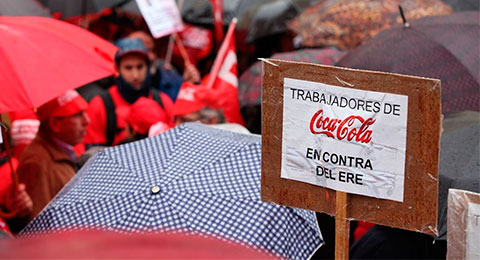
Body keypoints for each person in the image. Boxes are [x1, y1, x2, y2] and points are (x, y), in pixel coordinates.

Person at [84, 37, 174, 148]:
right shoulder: (100, 105)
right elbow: (92, 154)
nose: (135, 75)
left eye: (140, 67)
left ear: (148, 67)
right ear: (117, 70)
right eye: (128, 68)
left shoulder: (163, 101)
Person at [17, 90, 90, 222]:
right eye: (78, 115)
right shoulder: (37, 163)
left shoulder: (62, 150)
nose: (87, 121)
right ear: (55, 124)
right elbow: (40, 227)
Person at [128, 30, 201, 101]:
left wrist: (188, 85)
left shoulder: (168, 74)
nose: (152, 56)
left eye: (153, 50)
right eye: (146, 51)